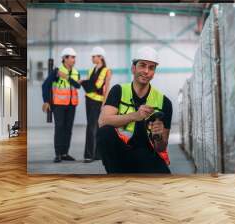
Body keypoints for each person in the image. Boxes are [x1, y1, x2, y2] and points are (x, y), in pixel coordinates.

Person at [97, 46, 173, 174]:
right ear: (133, 68)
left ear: (154, 72)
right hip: (122, 154)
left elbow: (161, 148)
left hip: (148, 156)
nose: (146, 71)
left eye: (151, 68)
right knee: (105, 132)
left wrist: (159, 137)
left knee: (165, 185)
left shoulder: (164, 102)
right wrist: (135, 116)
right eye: (142, 65)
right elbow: (103, 121)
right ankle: (115, 176)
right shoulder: (119, 91)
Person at [42, 47, 82, 163]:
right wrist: (46, 101)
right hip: (58, 104)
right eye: (72, 57)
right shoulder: (56, 71)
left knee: (68, 129)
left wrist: (66, 77)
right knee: (59, 128)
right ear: (65, 58)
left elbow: (77, 86)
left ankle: (65, 153)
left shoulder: (76, 72)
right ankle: (58, 154)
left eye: (74, 57)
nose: (74, 60)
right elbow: (45, 85)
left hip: (71, 104)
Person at [83, 46, 112, 163]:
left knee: (92, 127)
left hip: (97, 102)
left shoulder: (106, 71)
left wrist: (104, 104)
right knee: (94, 126)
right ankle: (97, 155)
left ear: (100, 57)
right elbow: (89, 86)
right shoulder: (92, 70)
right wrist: (86, 83)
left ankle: (89, 155)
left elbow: (102, 87)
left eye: (93, 56)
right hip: (89, 100)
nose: (92, 58)